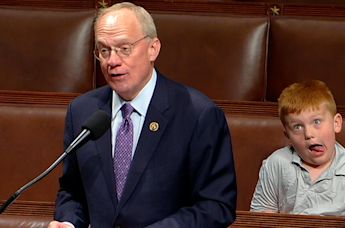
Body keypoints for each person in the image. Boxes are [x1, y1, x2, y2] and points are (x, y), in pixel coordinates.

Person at [48, 2, 236, 227]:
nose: (112, 61)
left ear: (153, 49)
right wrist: (69, 222)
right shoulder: (82, 111)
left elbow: (217, 205)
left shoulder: (198, 115)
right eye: (104, 51)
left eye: (124, 48)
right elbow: (72, 191)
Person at [250, 80, 345, 227]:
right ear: (287, 136)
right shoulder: (276, 163)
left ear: (336, 123)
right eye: (298, 127)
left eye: (317, 122)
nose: (309, 134)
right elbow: (260, 220)